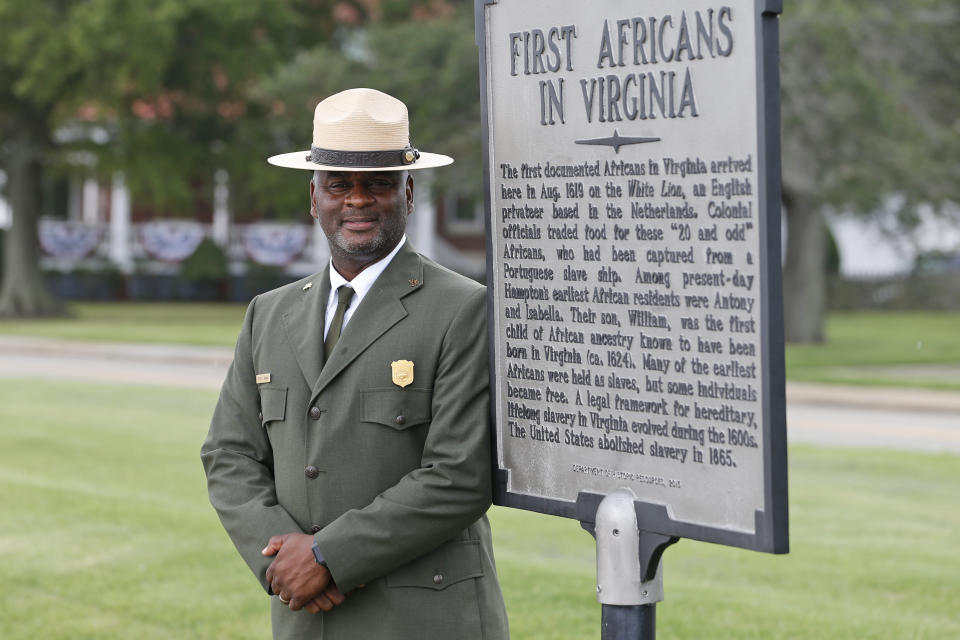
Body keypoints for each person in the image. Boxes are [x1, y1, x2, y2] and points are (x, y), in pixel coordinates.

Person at [201, 88, 509, 639]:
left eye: (380, 183)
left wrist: (327, 556)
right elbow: (229, 454)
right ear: (313, 197)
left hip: (423, 620)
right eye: (338, 183)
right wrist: (281, 559)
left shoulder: (463, 309)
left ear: (409, 193)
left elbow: (460, 477)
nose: (359, 200)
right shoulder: (267, 315)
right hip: (304, 618)